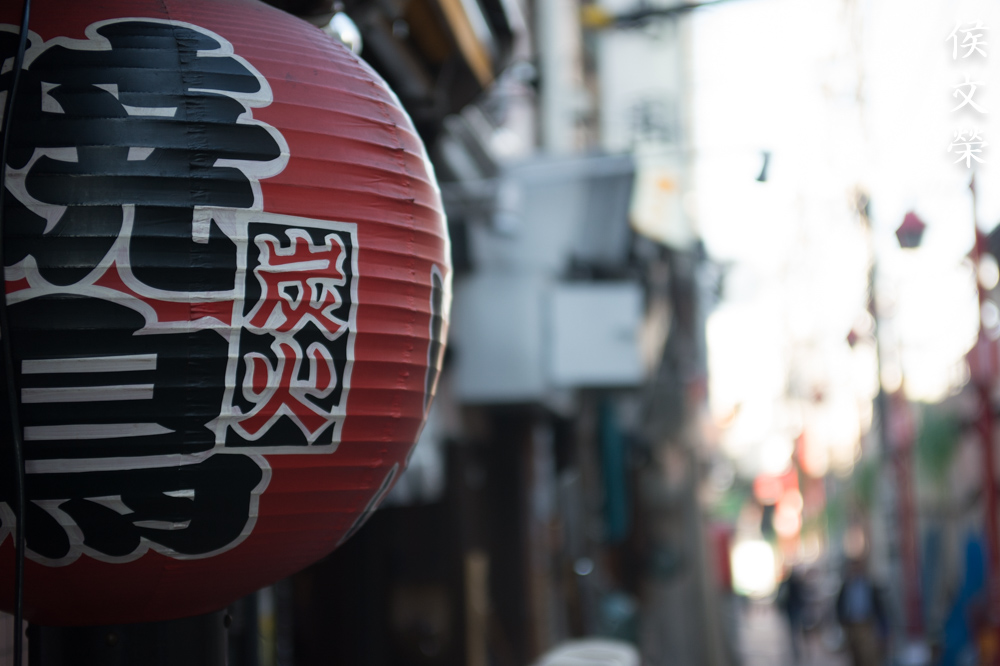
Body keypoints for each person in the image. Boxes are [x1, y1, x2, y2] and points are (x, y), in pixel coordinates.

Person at [836, 559, 888, 666]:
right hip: (851, 625)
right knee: (855, 657)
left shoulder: (869, 585)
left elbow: (879, 607)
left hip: (866, 625)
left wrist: (884, 629)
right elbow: (839, 605)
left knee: (868, 655)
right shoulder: (846, 586)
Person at [777, 566, 807, 664]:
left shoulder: (786, 583)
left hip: (791, 610)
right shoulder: (796, 582)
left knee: (794, 632)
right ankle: (799, 650)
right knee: (797, 631)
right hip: (795, 610)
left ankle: (797, 650)